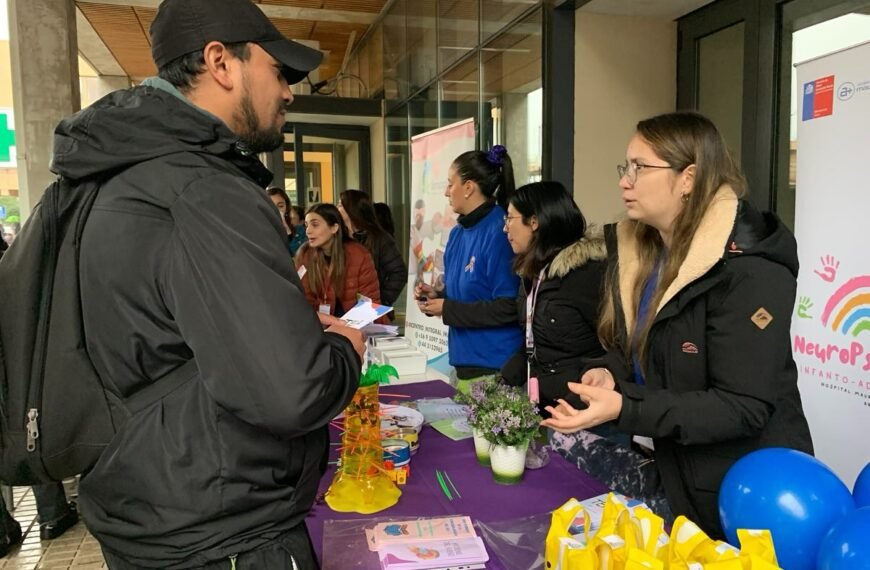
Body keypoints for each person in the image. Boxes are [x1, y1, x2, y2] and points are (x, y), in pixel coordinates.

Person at [56, 0, 365, 567]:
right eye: (279, 72)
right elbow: (291, 391)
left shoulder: (112, 177)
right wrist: (344, 347)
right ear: (221, 63)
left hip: (152, 501)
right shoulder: (202, 187)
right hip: (224, 525)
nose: (291, 92)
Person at [541, 112, 813, 538]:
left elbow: (742, 406)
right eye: (625, 166)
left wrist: (625, 408)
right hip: (677, 475)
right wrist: (611, 373)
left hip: (743, 498)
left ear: (689, 178)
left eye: (640, 167)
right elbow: (655, 349)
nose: (624, 181)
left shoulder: (750, 271)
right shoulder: (651, 257)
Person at [415, 146, 522, 392]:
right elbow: (469, 294)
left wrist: (449, 308)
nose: (445, 192)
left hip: (495, 368)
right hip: (464, 365)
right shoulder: (457, 233)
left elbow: (508, 306)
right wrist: (437, 297)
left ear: (469, 187)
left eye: (450, 184)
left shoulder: (500, 231)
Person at [499, 181, 606, 411]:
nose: (505, 228)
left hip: (585, 413)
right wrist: (501, 383)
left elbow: (616, 349)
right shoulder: (533, 274)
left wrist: (575, 402)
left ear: (534, 222)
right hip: (548, 408)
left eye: (509, 218)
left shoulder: (586, 275)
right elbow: (534, 344)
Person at [296, 203, 382, 319]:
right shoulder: (305, 255)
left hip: (357, 325)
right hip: (320, 326)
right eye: (306, 225)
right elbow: (305, 301)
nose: (308, 231)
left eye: (315, 225)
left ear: (334, 228)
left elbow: (369, 302)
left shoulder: (359, 255)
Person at [338, 190, 407, 308]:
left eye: (340, 205)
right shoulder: (338, 237)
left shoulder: (379, 238)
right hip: (343, 309)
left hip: (370, 311)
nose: (336, 208)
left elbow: (399, 272)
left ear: (351, 209)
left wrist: (381, 300)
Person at [266, 186, 306, 256]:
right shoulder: (258, 230)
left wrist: (287, 231)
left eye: (280, 206)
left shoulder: (300, 231)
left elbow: (300, 255)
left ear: (287, 208)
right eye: (271, 206)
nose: (276, 210)